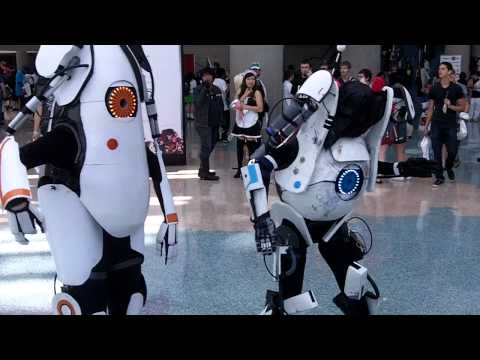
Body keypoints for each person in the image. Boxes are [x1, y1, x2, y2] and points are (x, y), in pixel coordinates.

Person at [425, 62, 466, 187]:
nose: (440, 71)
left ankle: (448, 167)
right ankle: (439, 177)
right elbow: (431, 108)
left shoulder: (456, 88)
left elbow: (462, 108)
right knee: (436, 151)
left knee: (452, 151)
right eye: (439, 68)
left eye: (443, 69)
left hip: (450, 124)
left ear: (449, 71)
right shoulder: (434, 88)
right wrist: (427, 125)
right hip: (436, 123)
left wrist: (450, 106)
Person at [231, 70, 264, 178]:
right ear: (245, 80)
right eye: (248, 79)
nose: (251, 81)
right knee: (239, 147)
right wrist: (244, 95)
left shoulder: (257, 92)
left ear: (255, 80)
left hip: (252, 123)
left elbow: (260, 108)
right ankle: (239, 169)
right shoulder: (241, 90)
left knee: (253, 149)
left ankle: (252, 172)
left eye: (253, 79)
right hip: (241, 123)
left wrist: (245, 107)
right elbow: (235, 103)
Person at [193, 67, 224, 181]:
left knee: (211, 144)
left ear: (213, 77)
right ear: (202, 77)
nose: (206, 77)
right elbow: (198, 103)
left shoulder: (216, 89)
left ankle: (203, 170)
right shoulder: (197, 89)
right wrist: (204, 90)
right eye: (204, 75)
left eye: (209, 75)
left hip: (214, 122)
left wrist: (222, 122)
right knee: (206, 146)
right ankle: (205, 172)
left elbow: (220, 106)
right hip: (203, 123)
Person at [213, 69, 230, 143]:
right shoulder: (222, 81)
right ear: (222, 74)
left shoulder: (213, 80)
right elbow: (226, 91)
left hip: (214, 106)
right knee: (225, 122)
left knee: (215, 122)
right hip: (223, 106)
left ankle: (216, 137)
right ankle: (224, 137)